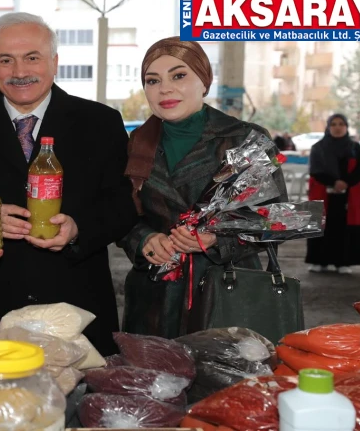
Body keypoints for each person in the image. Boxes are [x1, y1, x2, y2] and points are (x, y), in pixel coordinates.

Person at [0, 12, 137, 356]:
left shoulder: (100, 122)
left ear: (54, 62)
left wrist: (77, 230)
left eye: (32, 57)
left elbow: (122, 206)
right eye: (6, 60)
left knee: (77, 410)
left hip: (78, 308)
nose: (19, 72)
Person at [118, 37, 288, 339]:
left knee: (224, 383)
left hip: (227, 293)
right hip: (154, 300)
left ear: (204, 80)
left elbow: (276, 219)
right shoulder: (135, 145)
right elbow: (119, 213)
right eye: (152, 80)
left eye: (179, 75)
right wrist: (143, 238)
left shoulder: (245, 140)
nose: (165, 88)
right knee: (153, 382)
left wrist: (218, 238)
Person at [306, 114, 360, 274]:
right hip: (323, 191)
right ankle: (319, 261)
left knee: (344, 227)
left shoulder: (355, 148)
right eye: (333, 124)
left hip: (349, 193)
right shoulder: (318, 148)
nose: (337, 127)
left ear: (346, 127)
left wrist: (345, 182)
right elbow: (315, 170)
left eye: (341, 124)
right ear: (328, 127)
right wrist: (334, 182)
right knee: (322, 225)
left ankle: (344, 262)